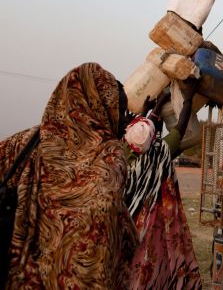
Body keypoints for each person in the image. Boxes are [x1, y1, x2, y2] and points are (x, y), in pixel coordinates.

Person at [0, 62, 137, 288]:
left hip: (22, 277)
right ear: (98, 108)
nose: (124, 122)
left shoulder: (28, 141)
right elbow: (107, 216)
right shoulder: (108, 154)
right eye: (118, 110)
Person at [123, 83, 202, 290]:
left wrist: (153, 107)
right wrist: (188, 98)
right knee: (157, 263)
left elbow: (142, 131)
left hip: (131, 227)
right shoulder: (161, 153)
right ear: (152, 139)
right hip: (157, 226)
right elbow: (181, 126)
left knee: (134, 268)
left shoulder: (122, 156)